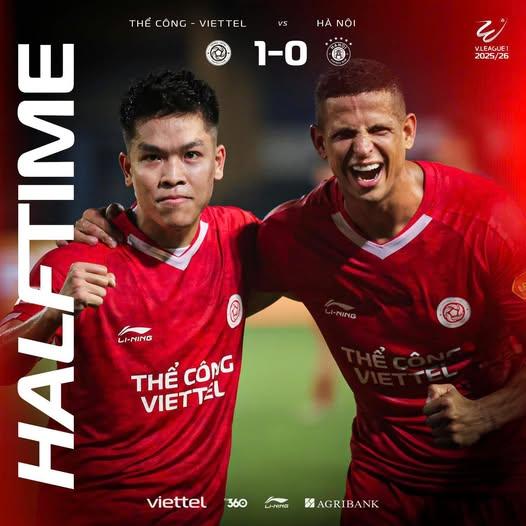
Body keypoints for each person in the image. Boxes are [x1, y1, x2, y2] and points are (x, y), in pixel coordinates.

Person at [72, 59, 526, 525]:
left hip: (502, 477)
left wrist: (486, 414)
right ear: (319, 143)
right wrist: (122, 228)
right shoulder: (294, 235)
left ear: (408, 132)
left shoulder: (490, 221)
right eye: (344, 134)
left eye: (378, 130)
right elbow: (192, 283)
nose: (363, 148)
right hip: (384, 486)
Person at [0, 69, 267, 526]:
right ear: (127, 169)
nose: (173, 176)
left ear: (218, 161)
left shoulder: (240, 238)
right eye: (152, 157)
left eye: (191, 155)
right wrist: (53, 312)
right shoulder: (73, 265)